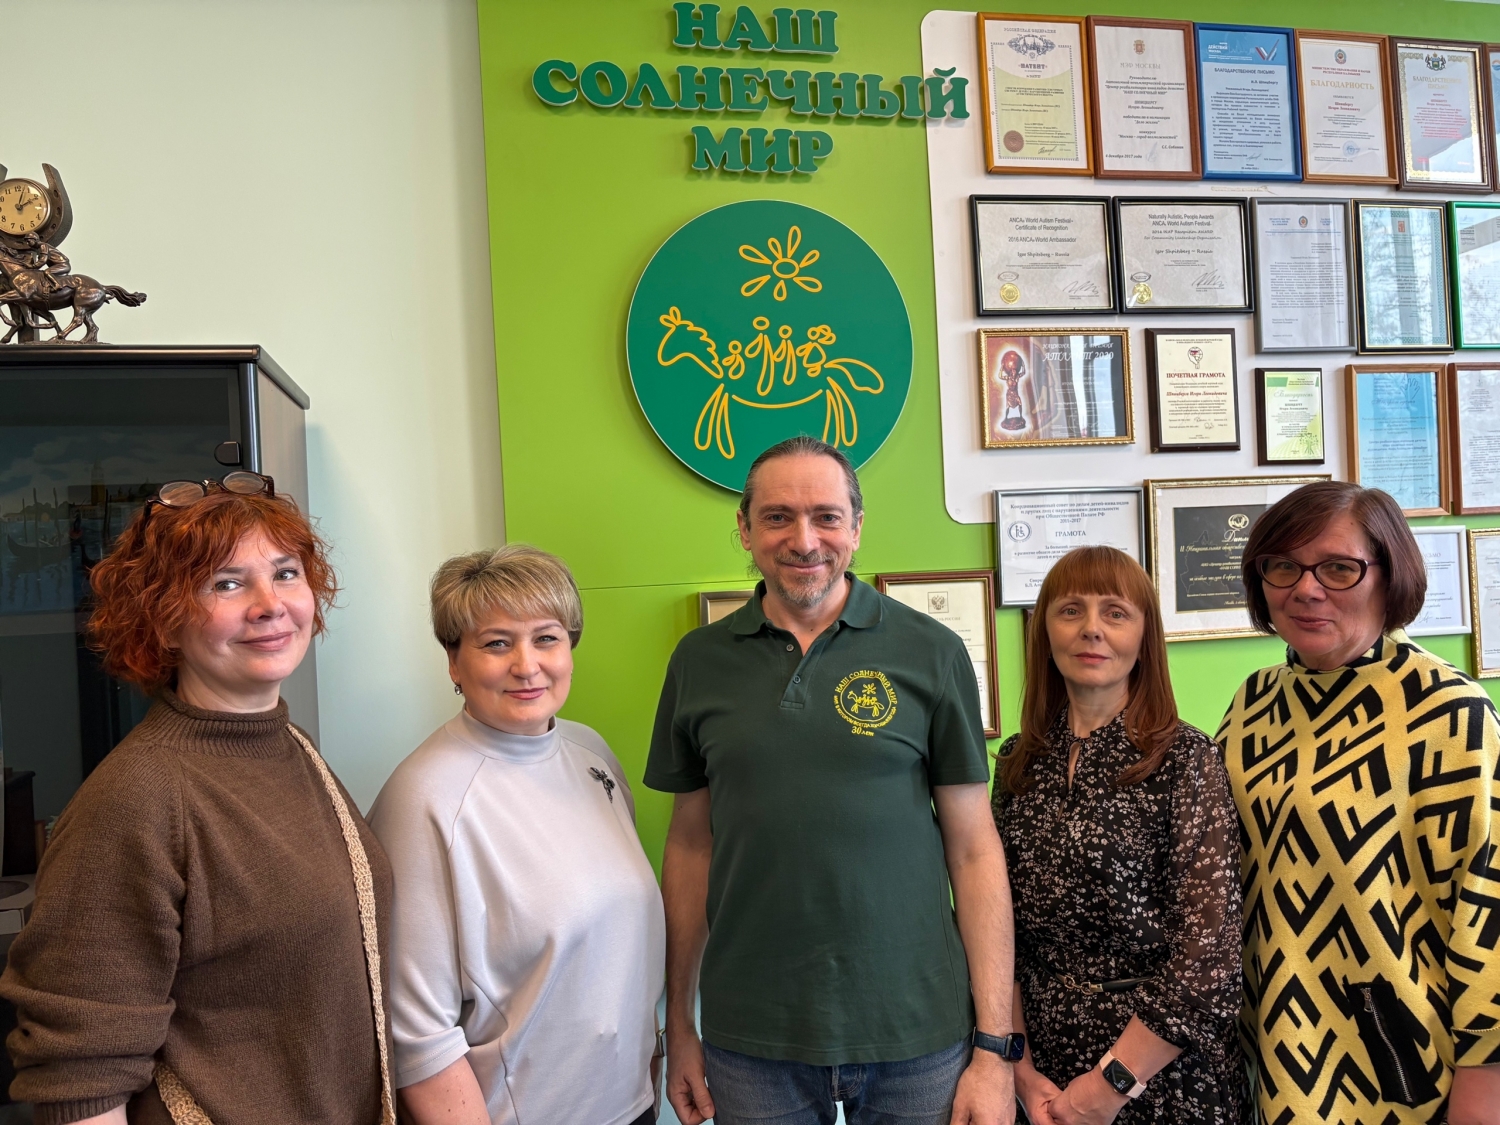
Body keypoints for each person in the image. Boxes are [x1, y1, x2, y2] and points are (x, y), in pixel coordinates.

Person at [0, 473, 393, 1125]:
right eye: (226, 583)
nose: (270, 604)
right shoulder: (138, 796)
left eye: (285, 573)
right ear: (164, 619)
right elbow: (80, 1082)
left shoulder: (288, 746)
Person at [648, 436, 1018, 1125]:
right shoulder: (697, 662)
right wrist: (680, 1025)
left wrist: (995, 1049)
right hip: (752, 1037)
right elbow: (691, 846)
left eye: (826, 516)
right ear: (745, 530)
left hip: (918, 1032)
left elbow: (974, 849)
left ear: (856, 527)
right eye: (778, 517)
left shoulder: (931, 652)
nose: (804, 539)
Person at [1218, 481, 1500, 1125]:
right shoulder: (1253, 702)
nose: (1306, 589)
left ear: (1390, 575)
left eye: (1339, 568)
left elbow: (1489, 902)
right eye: (1283, 566)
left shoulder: (1447, 712)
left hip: (1399, 1070)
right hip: (1267, 1056)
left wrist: (1485, 1083)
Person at [368, 545, 664, 1125]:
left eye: (546, 638)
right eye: (497, 643)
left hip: (630, 1104)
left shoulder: (590, 753)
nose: (527, 666)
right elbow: (416, 1033)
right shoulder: (425, 798)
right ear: (454, 662)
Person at [993, 547, 1245, 1125]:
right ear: (1044, 633)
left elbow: (1208, 956)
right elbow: (999, 928)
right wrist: (1019, 1069)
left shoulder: (1186, 759)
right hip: (1040, 1068)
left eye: (1115, 612)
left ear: (1144, 636)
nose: (1091, 628)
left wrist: (1108, 1088)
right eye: (1070, 610)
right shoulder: (1018, 761)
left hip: (1160, 1070)